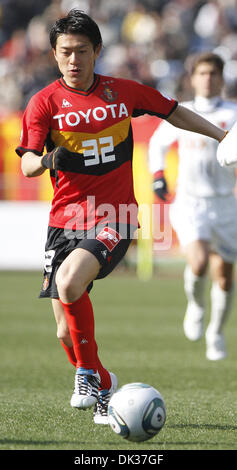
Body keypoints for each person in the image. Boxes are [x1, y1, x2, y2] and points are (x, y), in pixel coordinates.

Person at [16, 10, 227, 426]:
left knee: (70, 281)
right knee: (63, 332)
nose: (73, 60)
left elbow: (172, 110)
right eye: (64, 53)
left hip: (116, 214)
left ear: (97, 50)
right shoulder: (43, 103)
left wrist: (222, 136)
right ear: (54, 56)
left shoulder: (122, 92)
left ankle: (86, 375)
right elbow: (25, 166)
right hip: (64, 222)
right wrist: (45, 160)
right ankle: (103, 382)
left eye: (80, 51)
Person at [149, 52, 237, 361]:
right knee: (198, 262)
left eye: (213, 73)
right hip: (190, 202)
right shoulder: (182, 112)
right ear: (193, 78)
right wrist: (158, 175)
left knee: (224, 276)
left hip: (226, 203)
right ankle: (197, 305)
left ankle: (216, 331)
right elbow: (157, 144)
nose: (207, 78)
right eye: (202, 73)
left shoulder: (233, 113)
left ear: (221, 78)